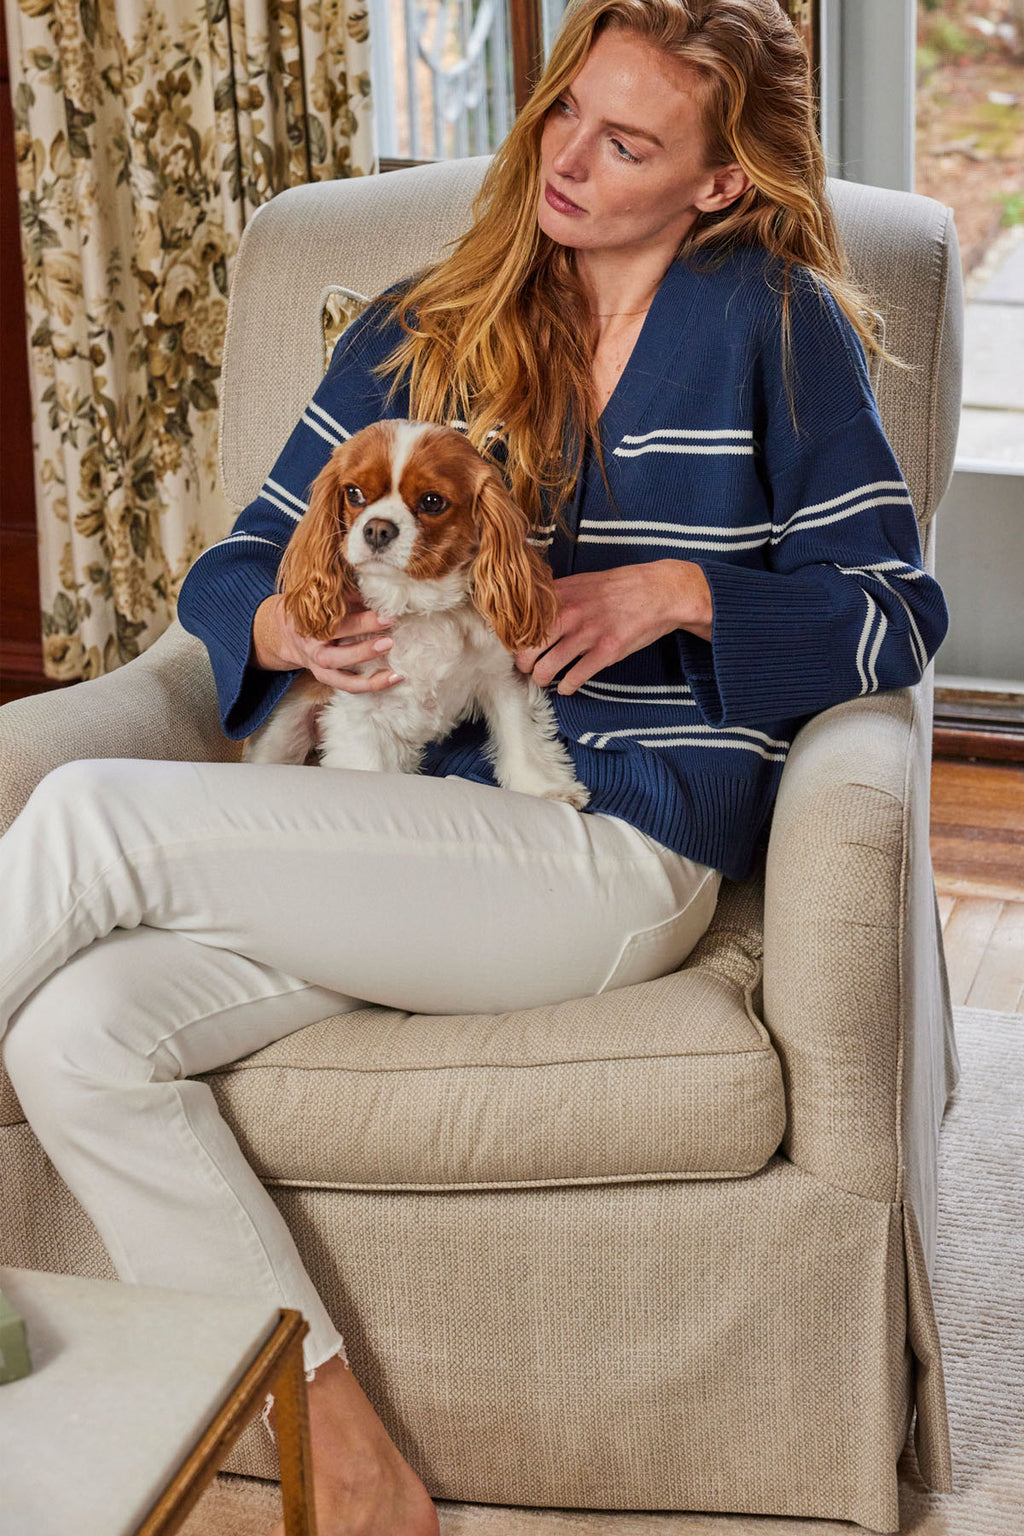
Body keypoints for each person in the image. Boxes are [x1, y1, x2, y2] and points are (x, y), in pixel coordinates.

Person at [0, 3, 948, 1533]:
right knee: (76, 1032)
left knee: (96, 817)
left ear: (716, 179)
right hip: (390, 845)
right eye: (566, 113)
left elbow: (898, 614)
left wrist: (681, 591)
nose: (568, 159)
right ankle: (338, 1449)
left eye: (627, 143)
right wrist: (293, 635)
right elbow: (239, 565)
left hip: (613, 851)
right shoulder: (424, 321)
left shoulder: (777, 331)